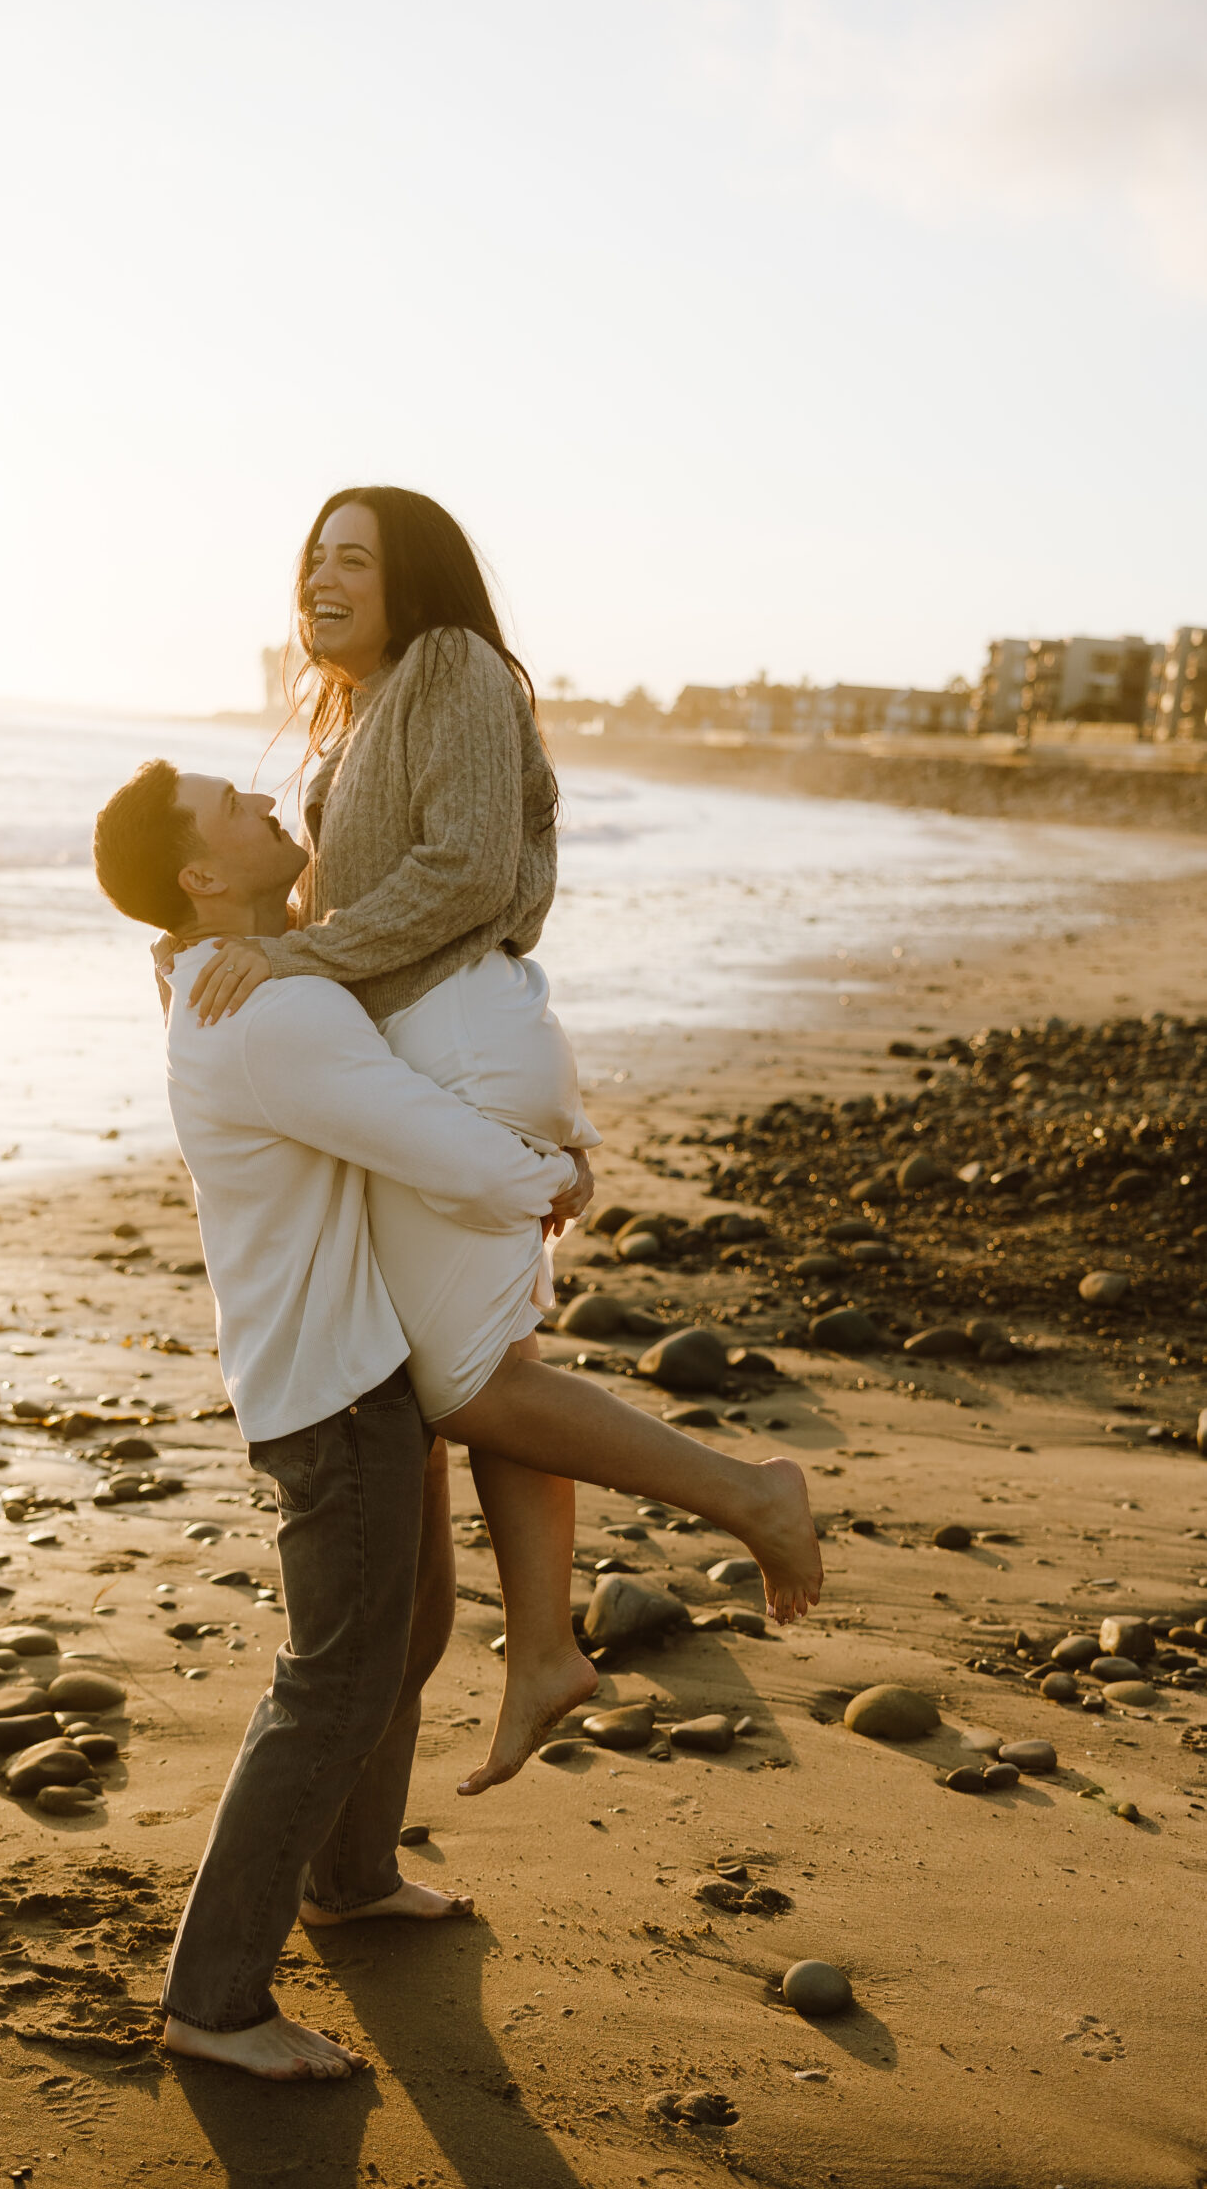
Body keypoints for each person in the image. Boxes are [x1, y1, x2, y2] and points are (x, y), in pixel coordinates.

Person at [184, 487, 819, 1791]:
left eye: (353, 558)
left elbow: (465, 874)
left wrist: (291, 952)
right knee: (488, 1365)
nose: (322, 576)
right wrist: (215, 949)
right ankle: (542, 1648)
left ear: (412, 582)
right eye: (313, 556)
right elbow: (355, 894)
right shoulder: (361, 713)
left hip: (464, 1036)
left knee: (463, 1386)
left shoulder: (454, 667)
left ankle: (753, 1497)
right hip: (450, 1039)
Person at [92, 759, 587, 2082]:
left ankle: (353, 1877)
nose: (265, 803)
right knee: (335, 1679)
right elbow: (431, 1140)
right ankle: (214, 1995)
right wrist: (560, 1171)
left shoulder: (243, 978)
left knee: (407, 1630)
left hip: (343, 1363)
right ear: (203, 875)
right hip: (333, 1390)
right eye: (232, 806)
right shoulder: (267, 1012)